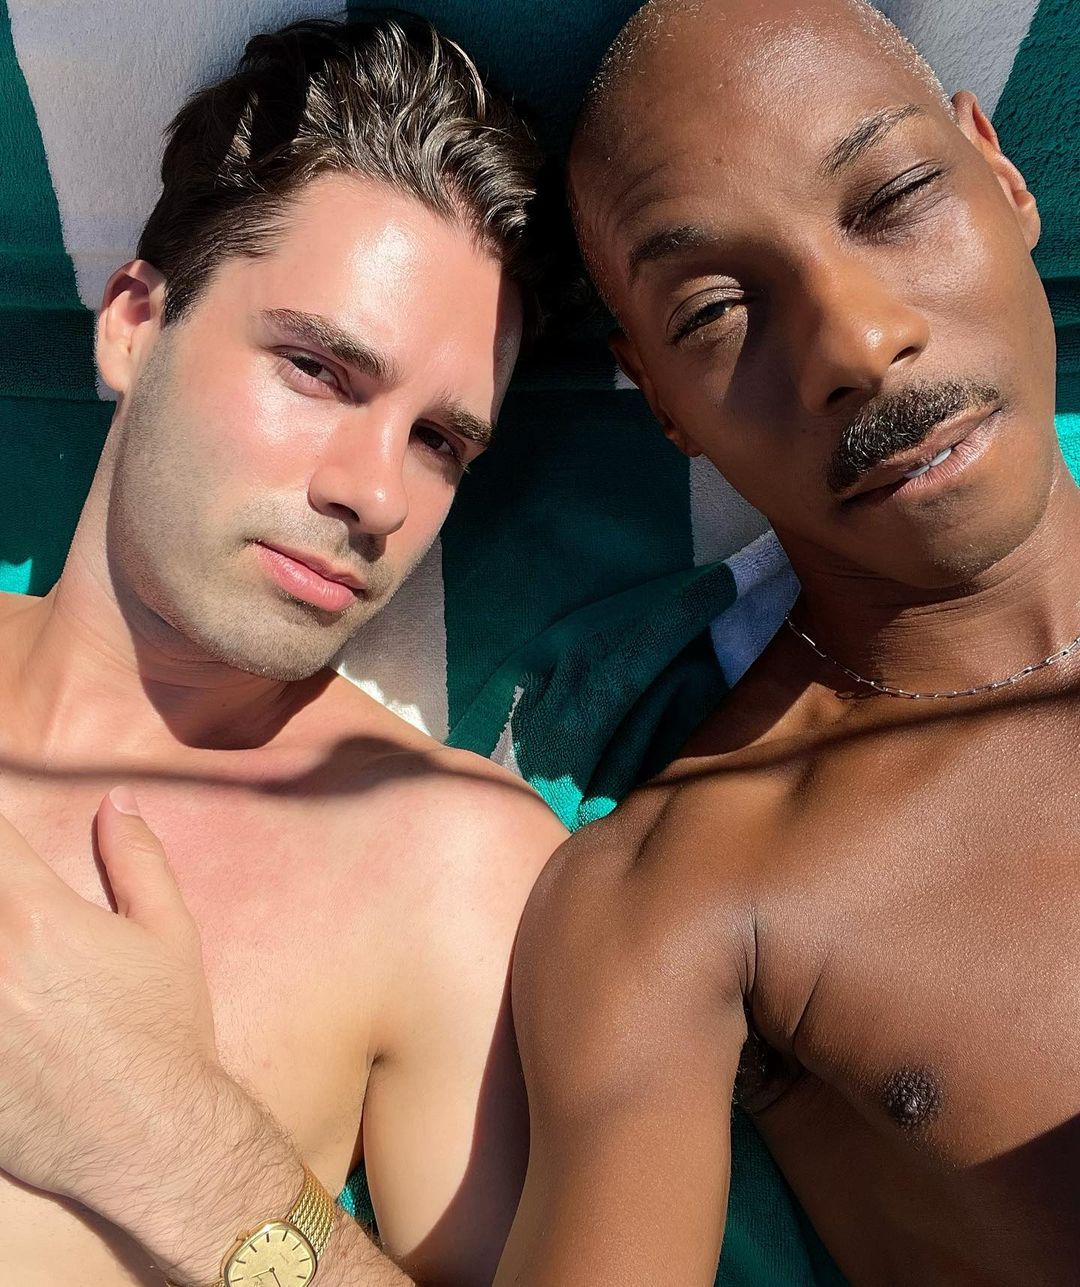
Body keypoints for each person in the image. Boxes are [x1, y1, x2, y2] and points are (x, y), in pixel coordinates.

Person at [496, 1, 1080, 1283]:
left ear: (1003, 176)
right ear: (659, 397)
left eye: (897, 199)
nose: (858, 344)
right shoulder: (681, 895)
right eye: (715, 310)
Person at [0, 14, 567, 1287]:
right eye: (315, 367)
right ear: (134, 323)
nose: (376, 494)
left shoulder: (447, 868)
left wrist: (177, 1152)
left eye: (440, 442)